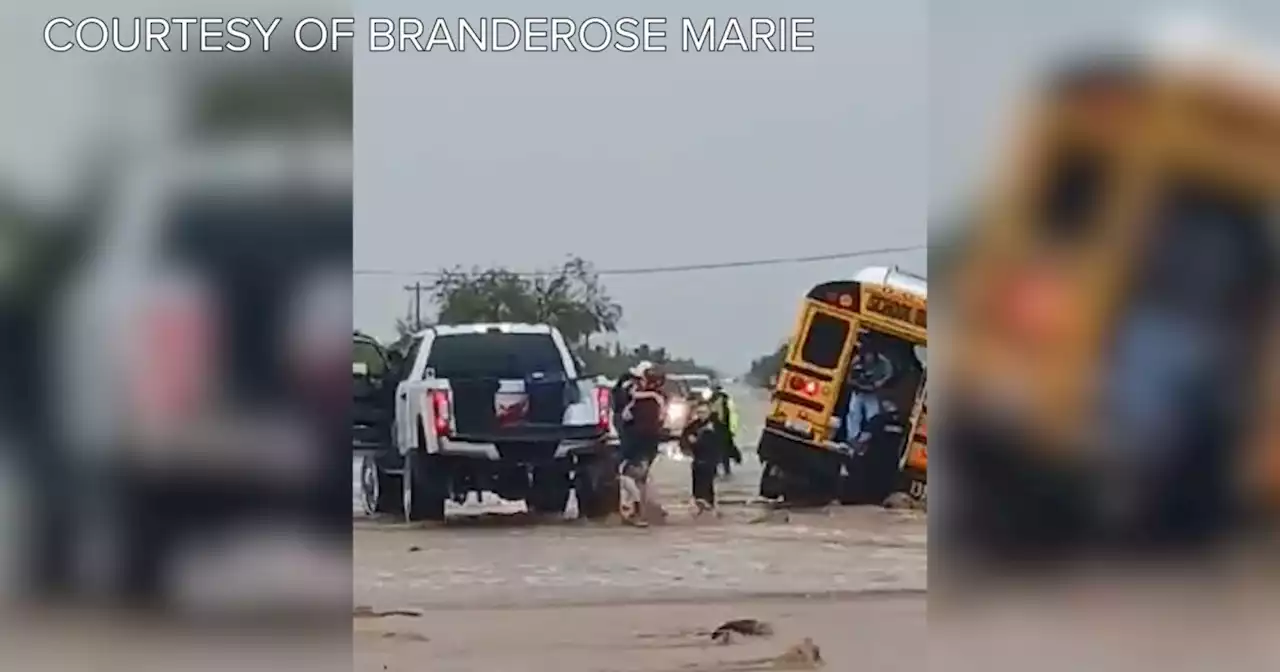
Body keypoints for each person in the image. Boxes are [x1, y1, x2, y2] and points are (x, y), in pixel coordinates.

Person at [618, 364, 666, 526]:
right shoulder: (657, 398)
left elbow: (626, 415)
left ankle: (637, 509)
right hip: (649, 443)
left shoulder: (646, 399)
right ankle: (649, 510)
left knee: (626, 475)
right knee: (641, 479)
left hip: (639, 442)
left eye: (640, 379)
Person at [844, 345, 895, 453]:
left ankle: (867, 441)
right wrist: (857, 383)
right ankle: (852, 439)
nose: (868, 358)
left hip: (872, 394)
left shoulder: (884, 363)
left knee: (873, 416)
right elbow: (848, 378)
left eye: (870, 355)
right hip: (858, 392)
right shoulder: (856, 361)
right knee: (853, 413)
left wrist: (880, 382)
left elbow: (888, 375)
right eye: (866, 355)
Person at [679, 398, 723, 515]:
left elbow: (724, 440)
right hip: (697, 458)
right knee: (697, 480)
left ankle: (709, 504)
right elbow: (684, 438)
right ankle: (700, 504)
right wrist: (687, 444)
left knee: (707, 481)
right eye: (699, 412)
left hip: (711, 458)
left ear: (709, 412)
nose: (701, 415)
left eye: (703, 412)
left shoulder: (716, 425)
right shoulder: (693, 425)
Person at [707, 382, 741, 477]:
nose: (715, 391)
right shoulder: (710, 400)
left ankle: (726, 470)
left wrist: (732, 429)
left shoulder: (726, 400)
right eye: (714, 389)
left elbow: (733, 415)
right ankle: (715, 471)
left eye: (717, 389)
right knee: (713, 450)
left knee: (724, 450)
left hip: (724, 428)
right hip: (714, 427)